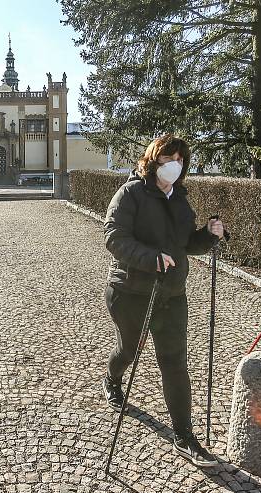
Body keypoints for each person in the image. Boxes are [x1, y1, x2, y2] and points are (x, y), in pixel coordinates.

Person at [103, 134, 226, 467]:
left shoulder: (180, 199)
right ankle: (112, 378)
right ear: (152, 161)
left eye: (180, 160)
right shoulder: (131, 193)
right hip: (130, 293)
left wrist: (209, 235)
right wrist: (150, 258)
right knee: (129, 350)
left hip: (171, 294)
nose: (175, 165)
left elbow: (187, 244)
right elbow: (113, 237)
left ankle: (184, 436)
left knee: (174, 363)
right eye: (168, 159)